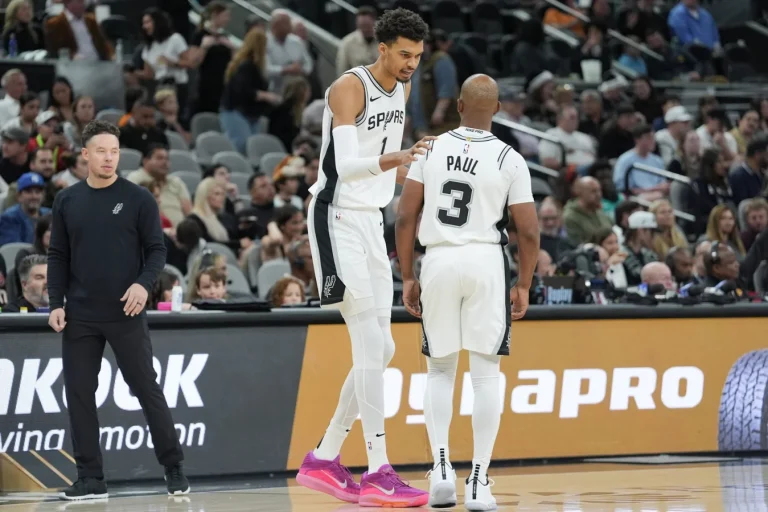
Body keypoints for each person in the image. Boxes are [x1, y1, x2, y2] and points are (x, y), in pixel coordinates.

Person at [296, 8, 431, 508]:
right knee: (370, 345)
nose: (411, 65)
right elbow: (348, 166)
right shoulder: (348, 88)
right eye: (403, 55)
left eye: (417, 57)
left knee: (385, 350)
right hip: (334, 218)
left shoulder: (402, 87)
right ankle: (378, 470)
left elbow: (385, 171)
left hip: (371, 221)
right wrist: (397, 159)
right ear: (382, 48)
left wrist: (422, 171)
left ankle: (326, 455)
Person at [395, 74, 538, 510]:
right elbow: (529, 232)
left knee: (439, 371)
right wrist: (525, 283)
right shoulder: (510, 158)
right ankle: (478, 479)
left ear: (458, 105)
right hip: (485, 263)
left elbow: (404, 217)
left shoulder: (430, 147)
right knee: (485, 375)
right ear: (495, 110)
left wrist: (407, 275)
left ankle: (440, 470)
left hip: (438, 259)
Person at [47, 120, 189, 500]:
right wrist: (54, 303)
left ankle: (173, 466)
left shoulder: (139, 198)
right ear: (85, 154)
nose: (109, 158)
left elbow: (158, 250)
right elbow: (58, 255)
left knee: (145, 388)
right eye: (101, 151)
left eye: (114, 151)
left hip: (125, 311)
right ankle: (90, 477)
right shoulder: (67, 200)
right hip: (79, 313)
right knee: (78, 393)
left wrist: (143, 284)